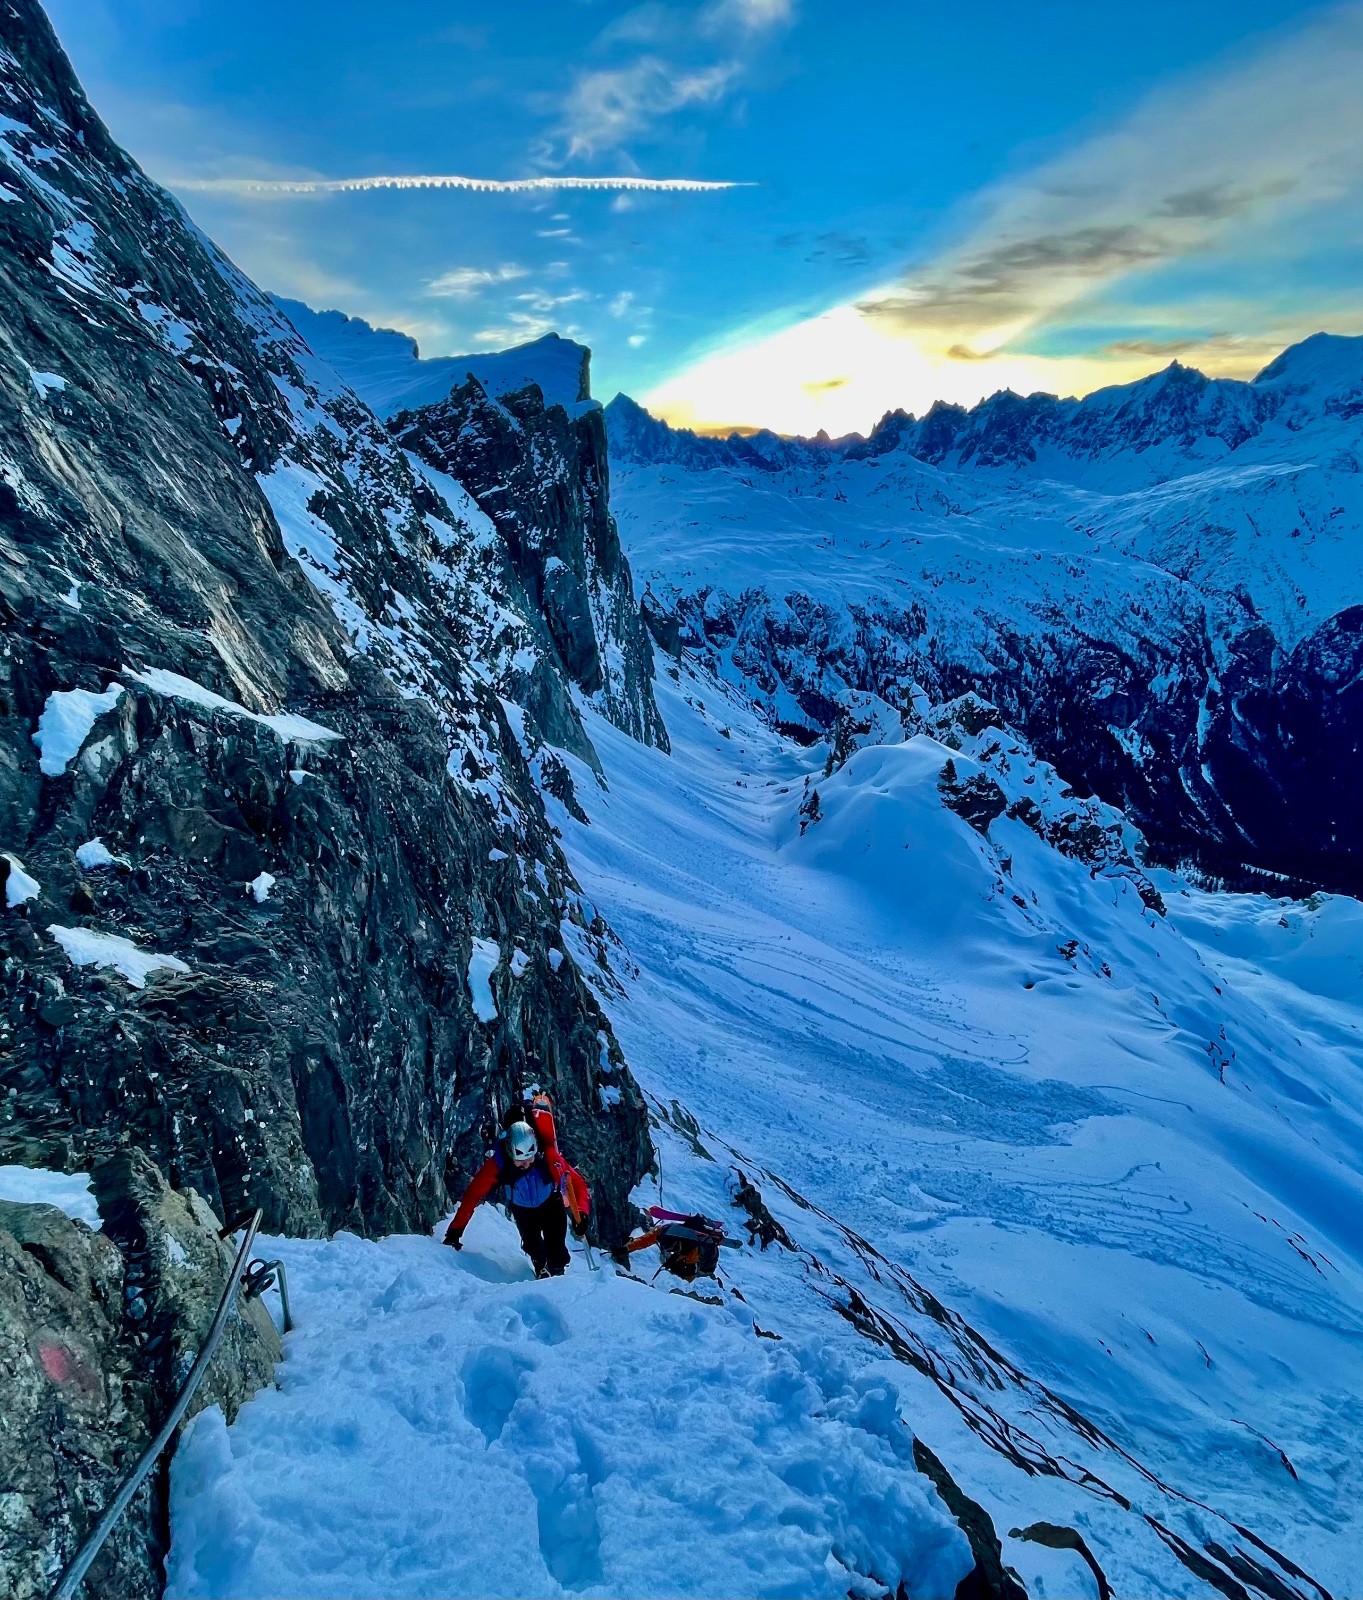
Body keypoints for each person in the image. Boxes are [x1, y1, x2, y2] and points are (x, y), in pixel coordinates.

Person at [443, 1094, 591, 1278]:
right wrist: (455, 1230)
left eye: (529, 1159)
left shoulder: (549, 1158)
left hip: (550, 1204)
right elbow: (473, 1195)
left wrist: (582, 1213)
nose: (526, 1165)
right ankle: (540, 1267)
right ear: (509, 1153)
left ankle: (557, 1274)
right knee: (532, 1245)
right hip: (523, 1210)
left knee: (556, 1246)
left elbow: (576, 1183)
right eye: (520, 1162)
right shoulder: (498, 1164)